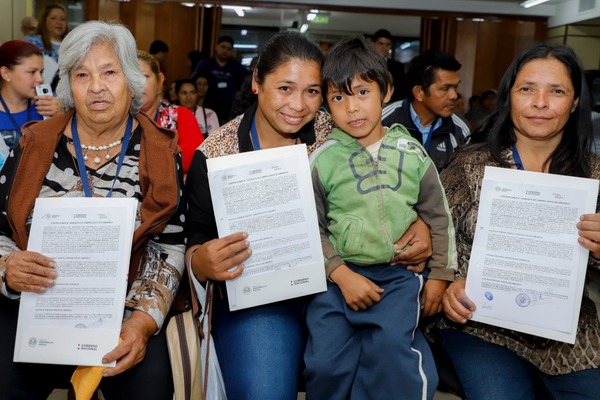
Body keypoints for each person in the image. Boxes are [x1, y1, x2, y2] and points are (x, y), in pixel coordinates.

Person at [185, 30, 433, 400]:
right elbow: (194, 242)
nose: (298, 105)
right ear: (256, 81)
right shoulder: (217, 154)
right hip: (264, 296)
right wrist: (202, 262)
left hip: (350, 281)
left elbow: (400, 182)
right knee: (263, 391)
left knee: (392, 377)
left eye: (313, 91)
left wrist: (420, 223)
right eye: (285, 88)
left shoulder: (340, 131)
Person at [0, 21, 186, 399]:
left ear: (131, 81)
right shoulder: (34, 144)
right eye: (82, 74)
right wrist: (7, 268)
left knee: (150, 388)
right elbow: (0, 227)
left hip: (122, 315)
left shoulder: (161, 152)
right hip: (34, 309)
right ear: (69, 85)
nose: (96, 86)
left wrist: (141, 324)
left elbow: (171, 246)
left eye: (109, 72)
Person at [437, 43, 600, 399]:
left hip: (567, 329)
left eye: (556, 91)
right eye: (527, 89)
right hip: (481, 324)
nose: (539, 102)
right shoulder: (470, 164)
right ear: (509, 96)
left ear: (574, 104)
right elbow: (434, 236)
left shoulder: (595, 174)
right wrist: (449, 284)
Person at [304, 36, 456, 400]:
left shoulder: (412, 152)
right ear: (327, 103)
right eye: (339, 98)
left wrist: (439, 275)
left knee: (391, 354)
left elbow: (439, 216)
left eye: (361, 93)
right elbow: (311, 227)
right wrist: (339, 274)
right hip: (335, 280)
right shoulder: (322, 159)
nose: (352, 108)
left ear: (386, 91)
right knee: (324, 364)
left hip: (398, 277)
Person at [382, 48, 471, 171]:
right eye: (445, 88)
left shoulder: (460, 129)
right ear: (419, 92)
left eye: (455, 87)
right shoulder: (384, 119)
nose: (454, 95)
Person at [137, 50, 203, 174]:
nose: (138, 84)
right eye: (131, 78)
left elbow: (195, 157)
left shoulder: (180, 115)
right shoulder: (117, 118)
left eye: (144, 77)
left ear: (159, 80)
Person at [0, 40, 61, 167]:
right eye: (32, 72)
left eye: (41, 72)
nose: (40, 79)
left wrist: (62, 116)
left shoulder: (51, 105)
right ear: (6, 73)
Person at [193, 35, 249, 124]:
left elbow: (248, 80)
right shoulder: (205, 63)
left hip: (229, 108)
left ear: (232, 51)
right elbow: (194, 79)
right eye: (223, 47)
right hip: (208, 104)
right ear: (216, 47)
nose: (225, 51)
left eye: (229, 49)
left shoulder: (236, 66)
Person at [371, 28, 408, 102]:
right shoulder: (365, 64)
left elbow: (402, 90)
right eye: (380, 43)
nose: (384, 47)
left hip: (392, 105)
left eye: (387, 44)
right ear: (373, 44)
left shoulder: (398, 66)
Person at [192, 71, 220, 137]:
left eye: (205, 84)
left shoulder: (211, 111)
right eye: (199, 84)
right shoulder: (187, 109)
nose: (201, 87)